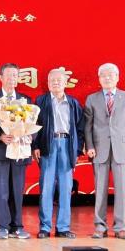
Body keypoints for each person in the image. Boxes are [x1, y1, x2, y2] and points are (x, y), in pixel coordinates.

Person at [83, 62, 125, 239]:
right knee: (100, 190)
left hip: (122, 149)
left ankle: (121, 227)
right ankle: (100, 226)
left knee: (122, 190)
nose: (107, 78)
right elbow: (87, 126)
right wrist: (89, 145)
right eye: (104, 75)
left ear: (117, 77)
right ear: (99, 79)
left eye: (111, 75)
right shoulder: (92, 99)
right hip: (99, 149)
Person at [0, 63, 34, 240]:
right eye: (9, 75)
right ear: (1, 78)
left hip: (20, 150)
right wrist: (0, 136)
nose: (12, 79)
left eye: (15, 75)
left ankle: (17, 226)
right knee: (1, 190)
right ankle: (2, 226)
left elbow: (33, 123)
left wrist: (28, 135)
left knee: (17, 190)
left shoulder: (26, 99)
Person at [33, 68, 85, 239]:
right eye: (52, 80)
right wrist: (35, 145)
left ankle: (63, 227)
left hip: (67, 144)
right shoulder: (40, 101)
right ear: (48, 84)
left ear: (65, 83)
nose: (55, 83)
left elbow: (80, 127)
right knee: (46, 187)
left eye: (58, 80)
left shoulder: (73, 103)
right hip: (48, 145)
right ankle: (45, 227)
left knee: (65, 187)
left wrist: (77, 149)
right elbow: (34, 125)